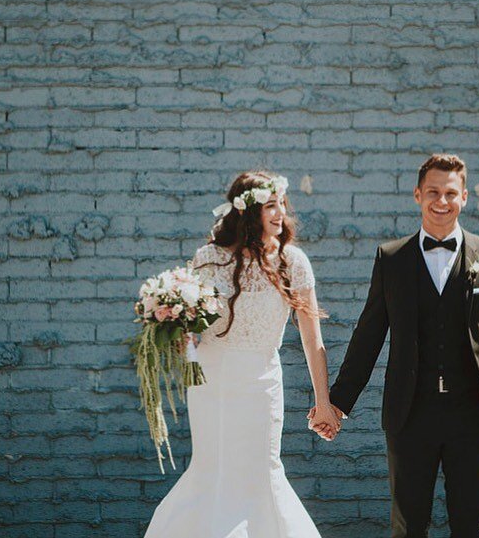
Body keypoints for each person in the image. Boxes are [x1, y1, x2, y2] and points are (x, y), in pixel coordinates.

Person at [313, 153, 479, 538]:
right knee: (408, 526)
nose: (441, 201)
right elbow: (368, 336)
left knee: (470, 526)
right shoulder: (391, 258)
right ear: (417, 195)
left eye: (450, 193)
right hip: (409, 414)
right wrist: (337, 402)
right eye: (433, 192)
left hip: (473, 415)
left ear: (464, 197)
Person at [145, 170, 340, 538]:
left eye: (282, 203)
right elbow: (190, 332)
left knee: (260, 470)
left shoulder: (293, 261)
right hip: (210, 381)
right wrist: (172, 325)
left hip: (261, 381)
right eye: (270, 205)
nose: (281, 212)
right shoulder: (209, 258)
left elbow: (313, 340)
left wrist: (324, 402)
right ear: (247, 212)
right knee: (211, 467)